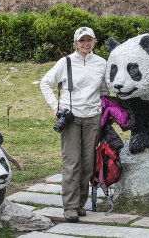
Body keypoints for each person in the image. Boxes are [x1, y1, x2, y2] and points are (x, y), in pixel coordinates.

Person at [40, 27, 108, 222]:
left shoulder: (101, 63)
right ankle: (69, 206)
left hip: (93, 118)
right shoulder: (66, 62)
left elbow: (103, 90)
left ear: (94, 41)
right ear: (75, 43)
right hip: (71, 118)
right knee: (72, 163)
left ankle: (80, 204)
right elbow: (45, 83)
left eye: (89, 40)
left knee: (87, 164)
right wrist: (55, 106)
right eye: (82, 40)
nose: (86, 43)